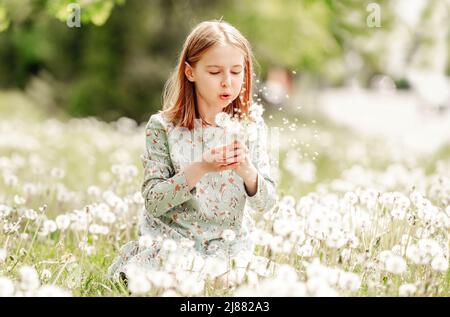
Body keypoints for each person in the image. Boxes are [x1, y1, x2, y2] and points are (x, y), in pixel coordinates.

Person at [108, 20, 277, 284]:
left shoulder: (251, 127)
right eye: (214, 72)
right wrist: (200, 168)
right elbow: (153, 202)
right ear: (190, 72)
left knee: (241, 281)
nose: (227, 83)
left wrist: (247, 169)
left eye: (236, 72)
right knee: (176, 278)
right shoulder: (163, 128)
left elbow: (266, 203)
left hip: (228, 250)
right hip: (173, 247)